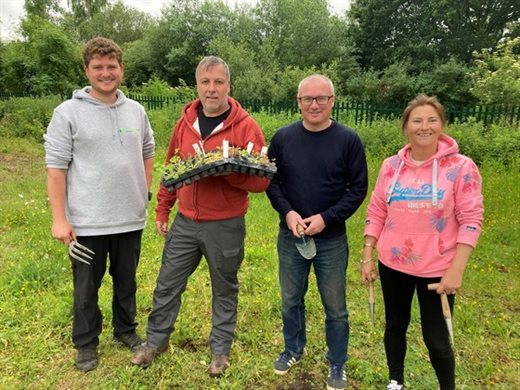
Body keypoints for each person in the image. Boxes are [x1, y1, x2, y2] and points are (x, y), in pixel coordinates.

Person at [131, 56, 270, 376]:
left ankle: (220, 351)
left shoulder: (246, 127)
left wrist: (226, 172)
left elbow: (261, 181)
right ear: (198, 85)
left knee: (224, 287)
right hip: (186, 222)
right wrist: (164, 207)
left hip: (225, 224)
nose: (212, 89)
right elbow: (173, 168)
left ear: (228, 86)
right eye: (206, 82)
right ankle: (155, 341)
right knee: (167, 284)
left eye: (218, 82)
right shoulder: (185, 123)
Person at [44, 37, 155, 372]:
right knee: (86, 288)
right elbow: (56, 168)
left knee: (127, 282)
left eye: (111, 66)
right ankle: (86, 343)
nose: (106, 73)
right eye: (98, 67)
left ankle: (126, 330)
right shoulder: (67, 113)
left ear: (121, 69)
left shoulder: (136, 111)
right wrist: (59, 219)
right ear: (87, 70)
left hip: (130, 219)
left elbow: (148, 152)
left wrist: (142, 190)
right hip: (87, 223)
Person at [360, 95, 484, 390]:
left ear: (442, 125)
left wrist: (457, 270)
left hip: (437, 269)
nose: (424, 126)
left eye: (431, 120)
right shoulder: (391, 167)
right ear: (406, 127)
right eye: (417, 120)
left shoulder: (461, 168)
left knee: (437, 338)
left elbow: (471, 219)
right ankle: (395, 381)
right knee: (394, 326)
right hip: (392, 264)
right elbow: (377, 209)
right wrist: (367, 254)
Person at [266, 74, 368, 390]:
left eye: (321, 98)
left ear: (332, 101)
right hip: (291, 236)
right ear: (298, 102)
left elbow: (358, 188)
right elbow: (270, 180)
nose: (314, 104)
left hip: (332, 240)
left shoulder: (348, 140)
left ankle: (337, 363)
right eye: (307, 99)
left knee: (335, 308)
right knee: (290, 300)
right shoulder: (282, 138)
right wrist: (289, 212)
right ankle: (293, 349)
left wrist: (327, 217)